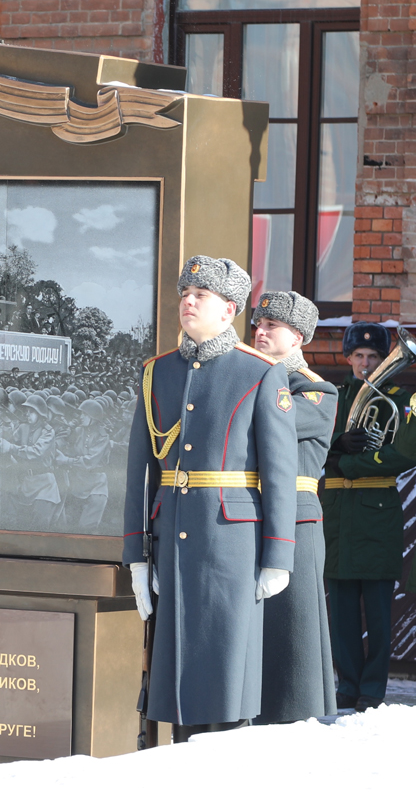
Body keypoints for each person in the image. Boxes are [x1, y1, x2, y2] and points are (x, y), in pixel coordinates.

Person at [123, 255, 297, 741]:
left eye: (202, 295)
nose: (189, 301)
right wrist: (136, 555)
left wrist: (278, 555)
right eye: (185, 293)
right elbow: (141, 471)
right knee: (177, 677)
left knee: (226, 676)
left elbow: (280, 472)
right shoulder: (157, 372)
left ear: (231, 309)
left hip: (231, 544)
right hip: (171, 540)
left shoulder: (258, 372)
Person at [250, 291, 338, 723]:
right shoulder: (257, 381)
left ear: (299, 336)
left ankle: (301, 717)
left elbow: (271, 419)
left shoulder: (318, 392)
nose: (260, 332)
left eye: (272, 326)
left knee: (296, 627)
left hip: (299, 522)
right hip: (255, 515)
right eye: (258, 324)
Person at [322, 321, 415, 712]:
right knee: (341, 609)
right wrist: (336, 446)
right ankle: (347, 686)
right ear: (347, 358)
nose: (365, 363)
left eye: (374, 356)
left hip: (377, 513)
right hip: (336, 515)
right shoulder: (329, 396)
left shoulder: (401, 398)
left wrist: (346, 462)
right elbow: (307, 445)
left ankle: (373, 688)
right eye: (359, 356)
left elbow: (405, 453)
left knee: (377, 610)